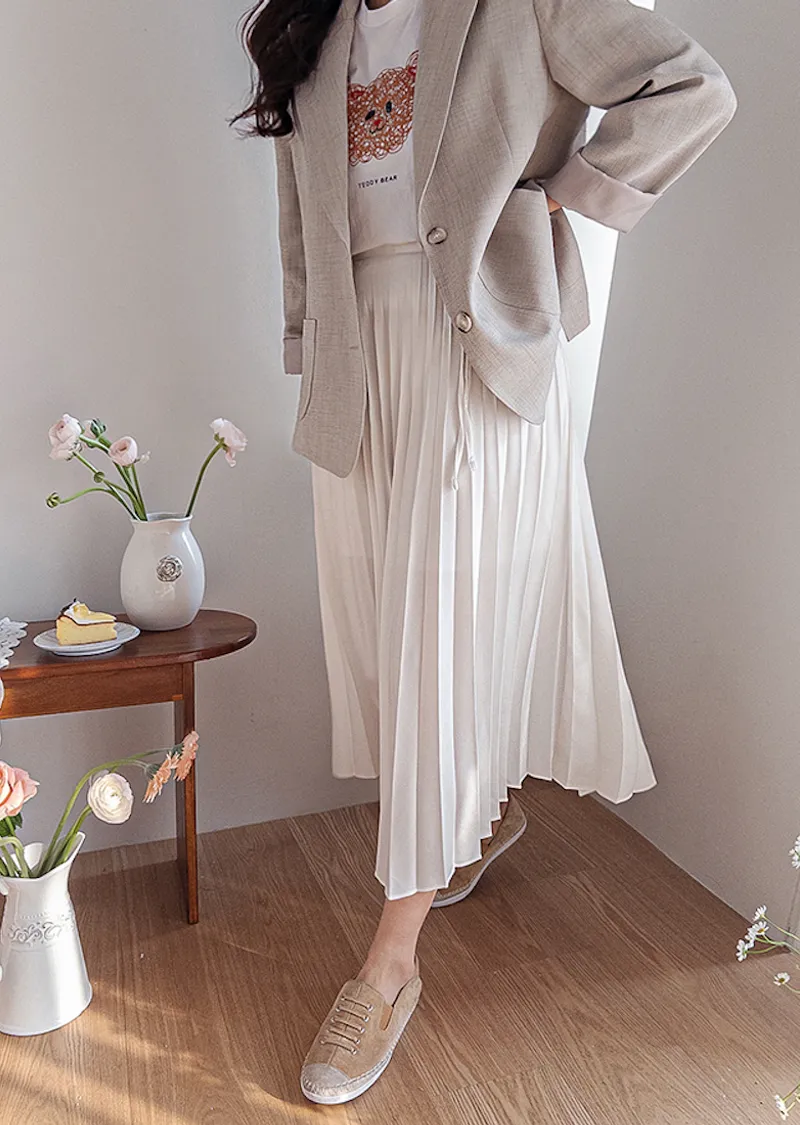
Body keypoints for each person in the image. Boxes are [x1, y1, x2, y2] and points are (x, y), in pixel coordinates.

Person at [234, 0, 736, 1104]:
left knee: (438, 638)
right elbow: (299, 211)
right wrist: (306, 345)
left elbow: (691, 89)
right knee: (381, 629)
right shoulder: (306, 27)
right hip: (355, 359)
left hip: (477, 343)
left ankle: (390, 962)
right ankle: (481, 814)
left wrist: (557, 200)